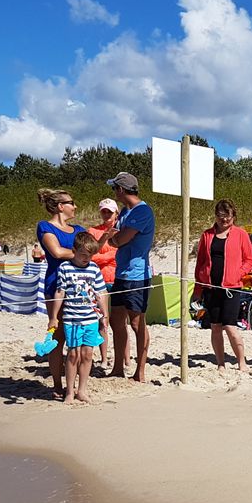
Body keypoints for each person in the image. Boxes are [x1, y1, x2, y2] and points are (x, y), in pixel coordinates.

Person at [96, 172, 155, 382]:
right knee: (116, 321)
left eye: (115, 189)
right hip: (122, 272)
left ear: (121, 190)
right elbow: (115, 238)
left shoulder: (143, 211)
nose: (114, 192)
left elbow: (119, 239)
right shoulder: (124, 211)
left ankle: (140, 370)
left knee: (138, 323)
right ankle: (118, 368)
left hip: (137, 274)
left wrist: (116, 238)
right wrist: (116, 238)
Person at [194, 199, 252, 371]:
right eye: (221, 217)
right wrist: (197, 289)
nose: (224, 220)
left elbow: (249, 260)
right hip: (210, 288)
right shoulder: (207, 235)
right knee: (215, 326)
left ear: (233, 216)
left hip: (232, 288)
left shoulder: (241, 234)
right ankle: (220, 363)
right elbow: (200, 263)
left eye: (227, 217)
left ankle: (242, 362)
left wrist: (238, 273)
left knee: (230, 326)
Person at [48, 232, 108, 404]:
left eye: (89, 256)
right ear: (74, 251)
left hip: (90, 319)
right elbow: (59, 292)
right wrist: (53, 317)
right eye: (83, 255)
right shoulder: (65, 268)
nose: (86, 259)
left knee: (88, 354)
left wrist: (104, 316)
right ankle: (69, 392)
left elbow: (100, 293)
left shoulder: (94, 268)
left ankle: (82, 390)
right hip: (72, 319)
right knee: (73, 354)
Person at [36, 188, 85, 398]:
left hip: (79, 286)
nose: (75, 206)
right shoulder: (45, 226)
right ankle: (57, 383)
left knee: (78, 335)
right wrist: (81, 253)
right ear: (60, 206)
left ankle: (74, 385)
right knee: (58, 334)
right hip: (56, 285)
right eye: (71, 202)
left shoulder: (78, 229)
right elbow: (55, 252)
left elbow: (92, 248)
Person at [86, 197, 120, 365]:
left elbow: (120, 254)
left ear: (116, 213)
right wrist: (109, 256)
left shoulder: (121, 229)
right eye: (104, 211)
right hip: (98, 280)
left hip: (118, 279)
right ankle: (104, 358)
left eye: (109, 211)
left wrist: (104, 257)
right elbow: (91, 256)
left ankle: (125, 359)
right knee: (102, 321)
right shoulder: (93, 230)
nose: (106, 214)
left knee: (120, 322)